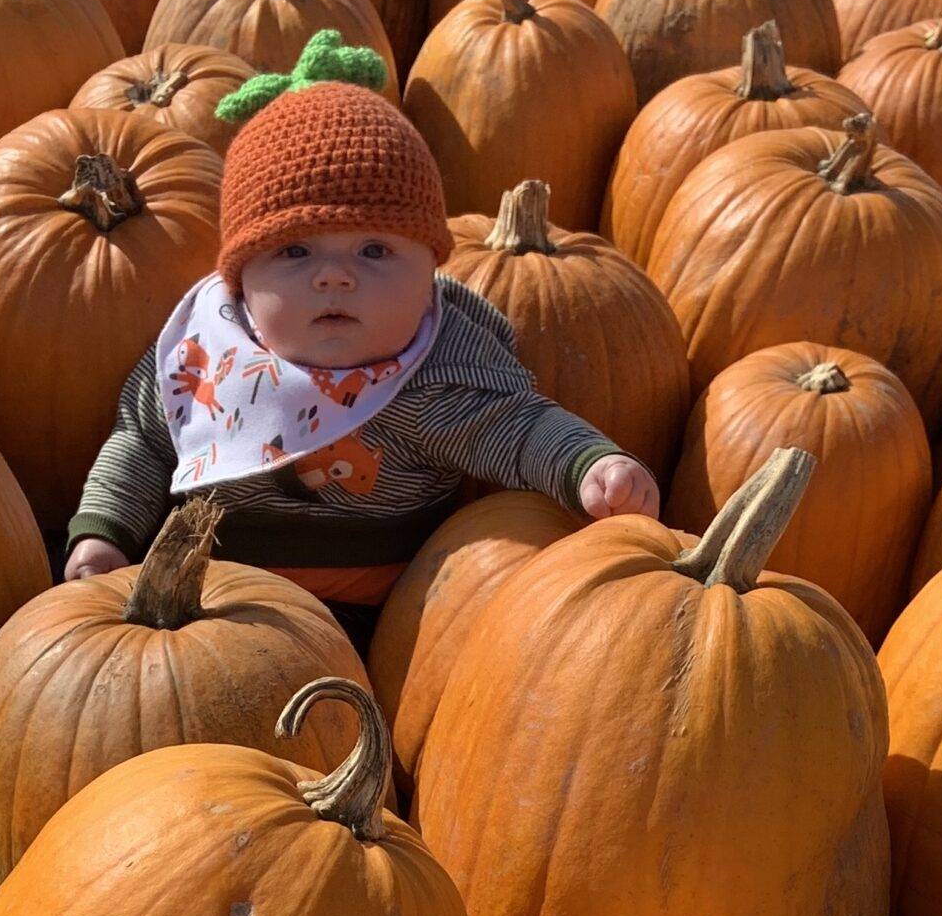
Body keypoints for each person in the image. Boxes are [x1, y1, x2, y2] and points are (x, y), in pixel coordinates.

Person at [62, 32, 660, 632]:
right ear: (241, 276)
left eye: (374, 249)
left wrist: (589, 465)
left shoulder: (435, 373)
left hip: (386, 615)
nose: (335, 277)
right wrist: (103, 531)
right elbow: (142, 442)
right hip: (211, 605)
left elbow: (521, 428)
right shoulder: (207, 353)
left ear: (430, 267)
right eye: (295, 251)